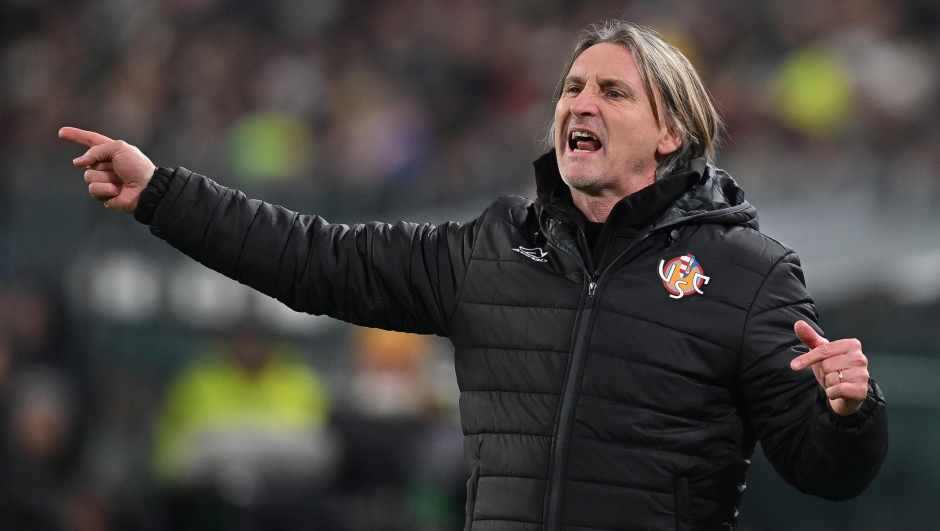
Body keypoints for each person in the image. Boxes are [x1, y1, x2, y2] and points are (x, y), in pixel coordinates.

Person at [60, 20, 887, 531]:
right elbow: (313, 257)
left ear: (669, 132)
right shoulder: (491, 250)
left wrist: (850, 413)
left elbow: (825, 469)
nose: (578, 105)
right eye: (570, 88)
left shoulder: (748, 273)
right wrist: (163, 194)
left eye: (611, 91)